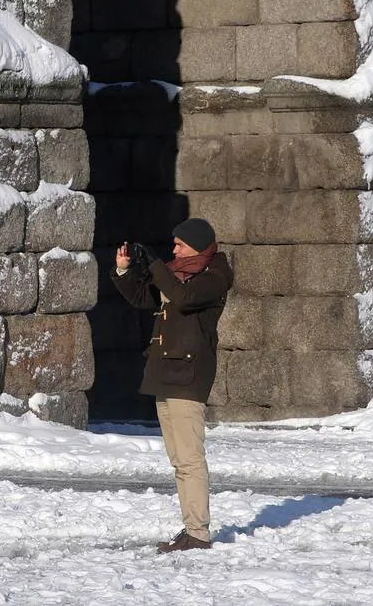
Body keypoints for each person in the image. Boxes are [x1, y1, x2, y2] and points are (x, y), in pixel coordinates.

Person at [111, 217, 233, 553]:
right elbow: (143, 298)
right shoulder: (177, 272)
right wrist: (127, 269)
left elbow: (182, 298)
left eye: (179, 244)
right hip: (166, 372)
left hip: (189, 375)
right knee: (179, 459)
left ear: (195, 245)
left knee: (190, 458)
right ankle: (192, 527)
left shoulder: (214, 278)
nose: (174, 249)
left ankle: (198, 533)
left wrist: (155, 265)